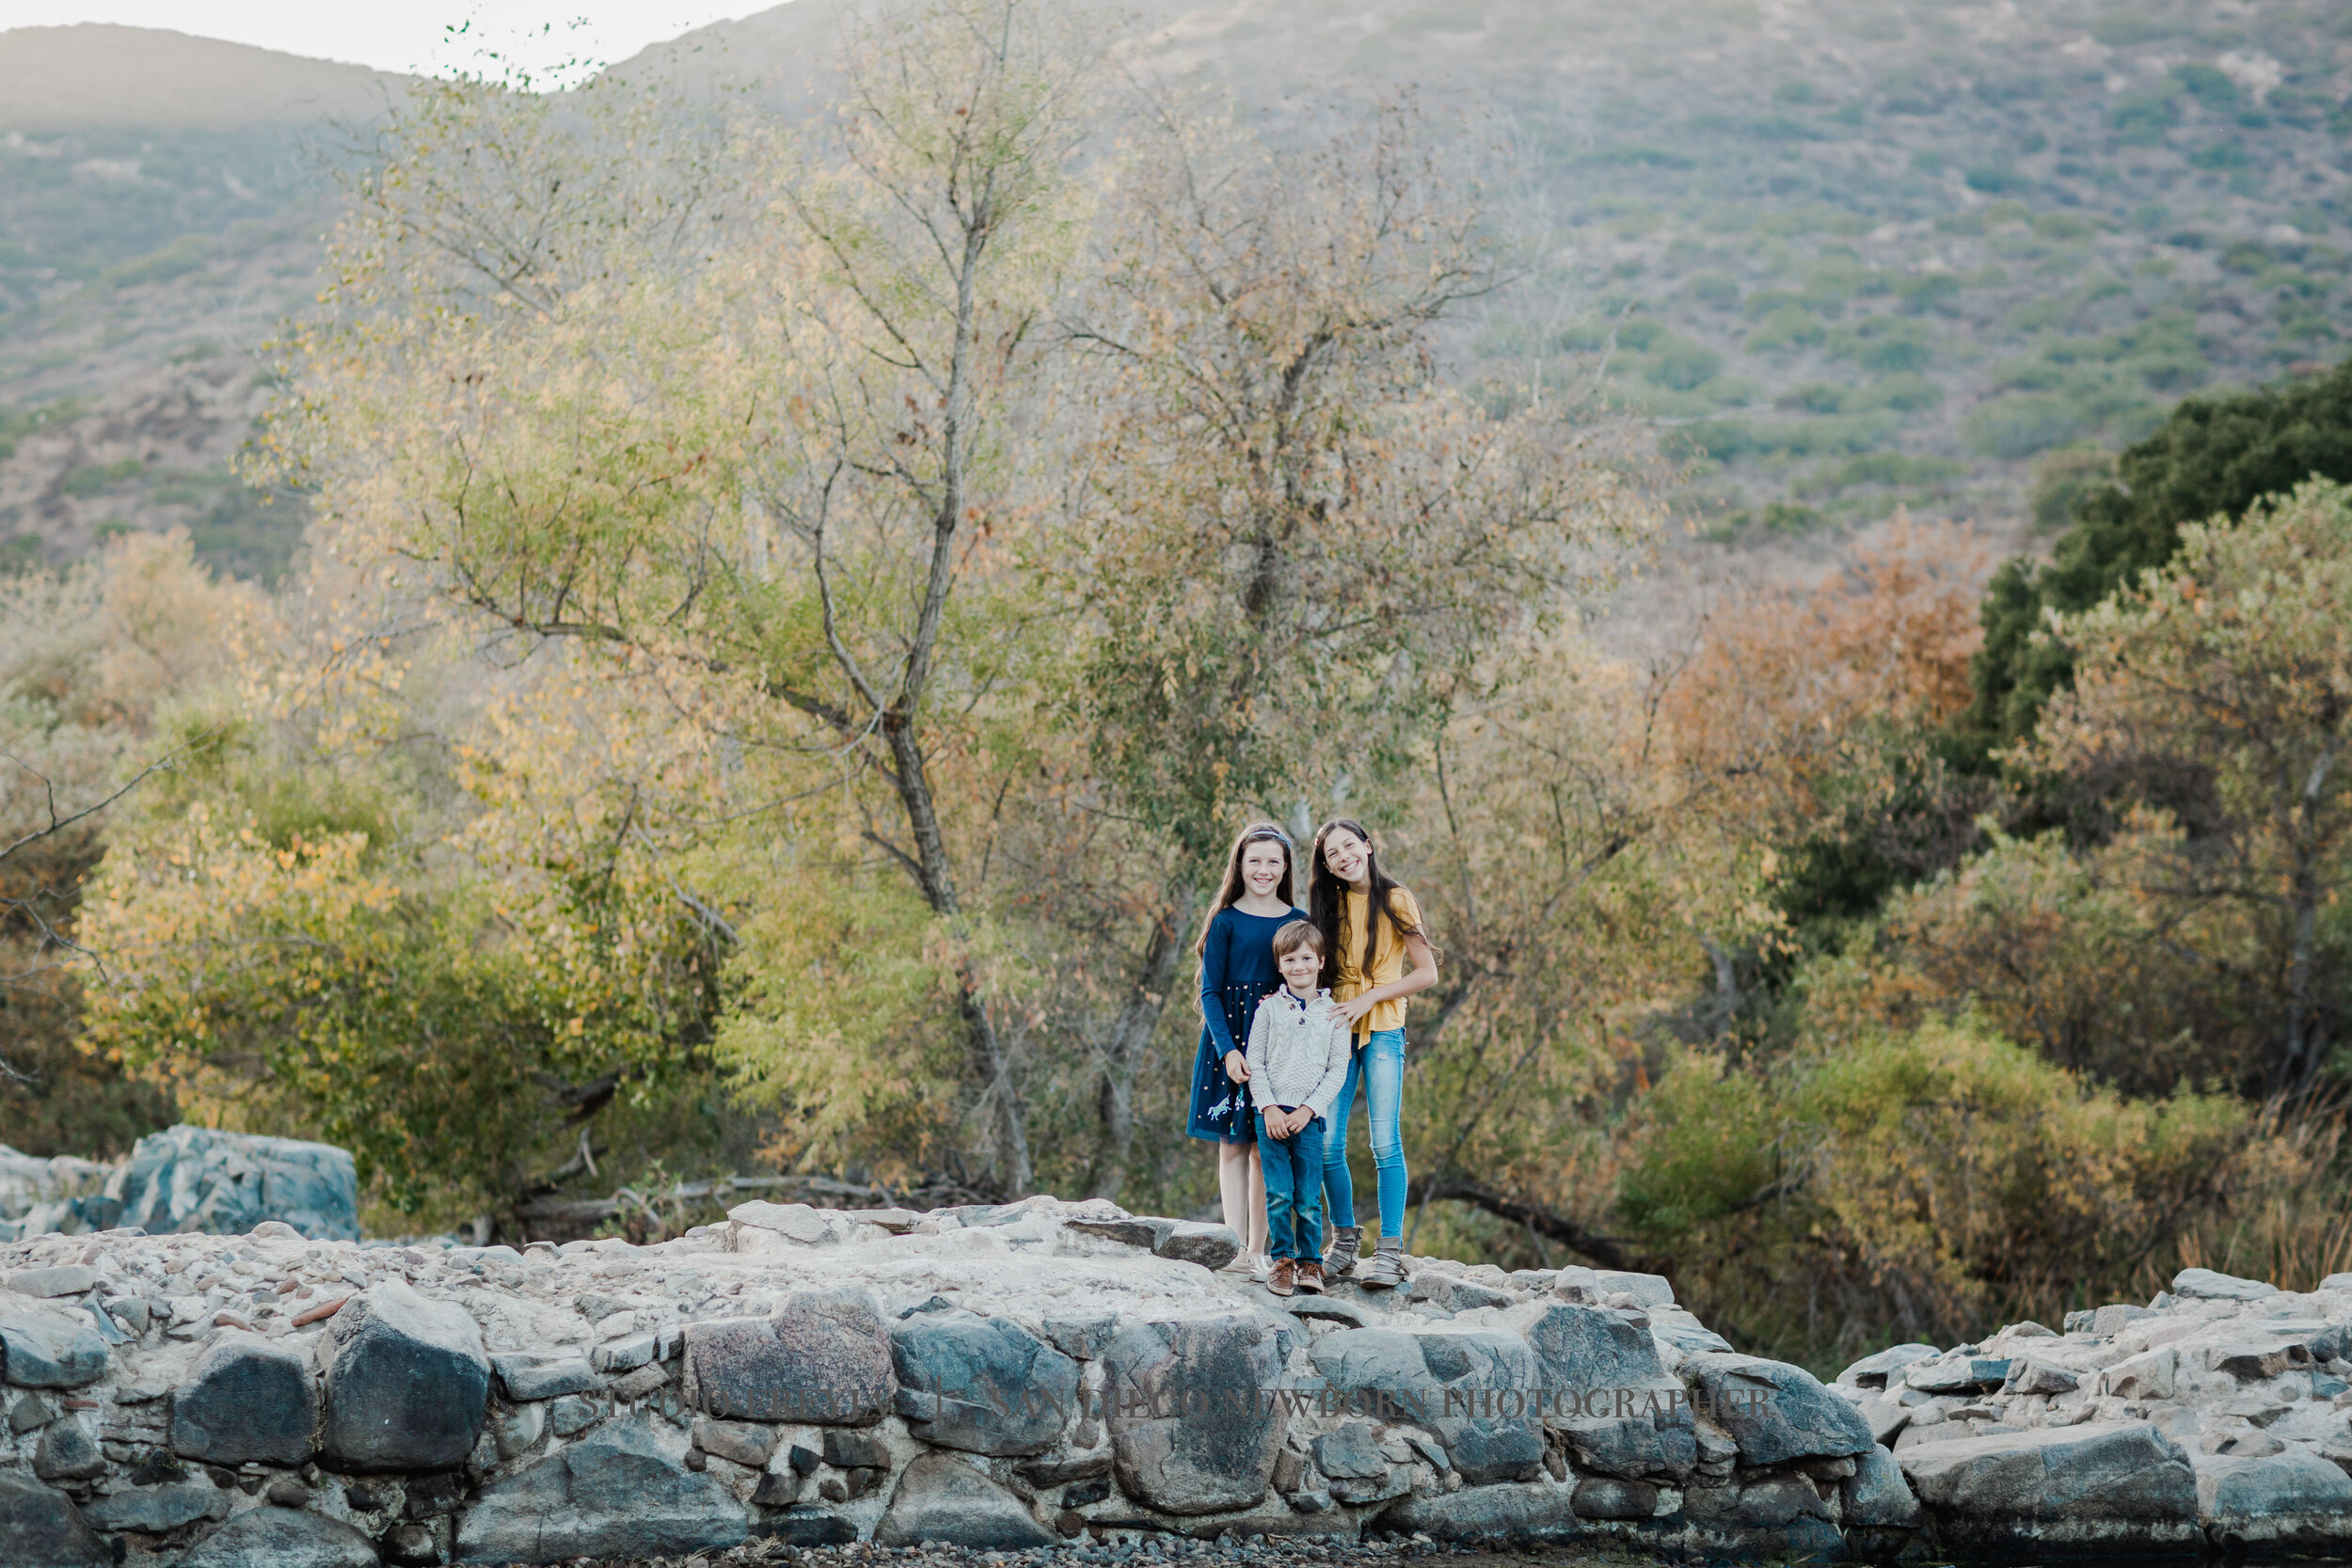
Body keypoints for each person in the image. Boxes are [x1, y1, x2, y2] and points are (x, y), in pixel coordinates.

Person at [1309, 817, 1438, 1289]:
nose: (1343, 858)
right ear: (1326, 865)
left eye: (1349, 847)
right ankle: (1343, 1242)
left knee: (1384, 1142)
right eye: (1332, 855)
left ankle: (1389, 1251)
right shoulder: (1328, 902)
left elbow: (1427, 973)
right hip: (1337, 1027)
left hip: (1383, 1027)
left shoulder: (1396, 897)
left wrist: (1370, 997)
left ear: (1367, 845)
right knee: (1326, 1141)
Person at [1185, 822, 1304, 1275]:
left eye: (1274, 860)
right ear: (1240, 864)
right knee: (1233, 1146)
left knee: (1263, 1148)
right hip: (1230, 1043)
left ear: (1285, 866)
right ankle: (1232, 1247)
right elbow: (1211, 992)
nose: (1264, 869)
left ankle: (1259, 1249)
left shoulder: (1297, 921)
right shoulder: (1225, 921)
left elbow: (1306, 984)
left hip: (1276, 1048)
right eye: (1254, 860)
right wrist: (1228, 1050)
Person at [1244, 919, 1353, 1297]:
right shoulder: (1269, 1010)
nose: (1299, 966)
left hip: (1309, 1119)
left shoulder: (1335, 1014)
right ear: (1279, 965)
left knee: (1307, 1196)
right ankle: (1283, 1262)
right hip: (1271, 1116)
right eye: (1290, 960)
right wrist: (1269, 1107)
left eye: (1307, 958)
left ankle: (1311, 1264)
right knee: (1279, 1193)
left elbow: (1338, 1069)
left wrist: (1309, 1109)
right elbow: (1254, 1061)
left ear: (1321, 961)